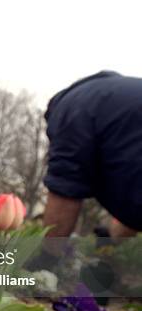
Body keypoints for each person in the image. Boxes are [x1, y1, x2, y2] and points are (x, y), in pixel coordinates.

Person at [43, 71, 142, 238]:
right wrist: (109, 238)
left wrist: (47, 257)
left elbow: (64, 190)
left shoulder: (69, 109)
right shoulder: (117, 104)